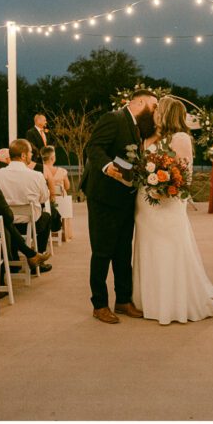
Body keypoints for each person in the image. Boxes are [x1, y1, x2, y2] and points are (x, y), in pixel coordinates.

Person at [132, 96, 213, 324]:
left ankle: (172, 302)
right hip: (146, 203)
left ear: (167, 113)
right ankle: (149, 299)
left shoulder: (181, 138)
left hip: (168, 203)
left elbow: (185, 175)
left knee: (169, 247)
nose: (155, 113)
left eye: (158, 110)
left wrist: (165, 188)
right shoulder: (152, 137)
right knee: (148, 248)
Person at [82, 87, 159, 323]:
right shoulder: (113, 118)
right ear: (141, 102)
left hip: (125, 196)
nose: (155, 111)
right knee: (103, 250)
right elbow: (93, 148)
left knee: (123, 250)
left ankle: (123, 300)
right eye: (154, 106)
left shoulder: (137, 126)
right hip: (103, 196)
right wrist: (108, 167)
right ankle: (100, 304)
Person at [0, 139, 52, 254]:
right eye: (30, 152)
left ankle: (15, 257)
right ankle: (39, 254)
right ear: (23, 155)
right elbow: (44, 198)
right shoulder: (36, 176)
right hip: (29, 224)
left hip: (6, 223)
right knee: (47, 217)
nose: (32, 154)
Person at [40, 146, 72, 238]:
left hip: (45, 202)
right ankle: (64, 233)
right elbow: (67, 186)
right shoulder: (62, 171)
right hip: (61, 202)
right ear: (52, 158)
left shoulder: (40, 170)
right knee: (64, 194)